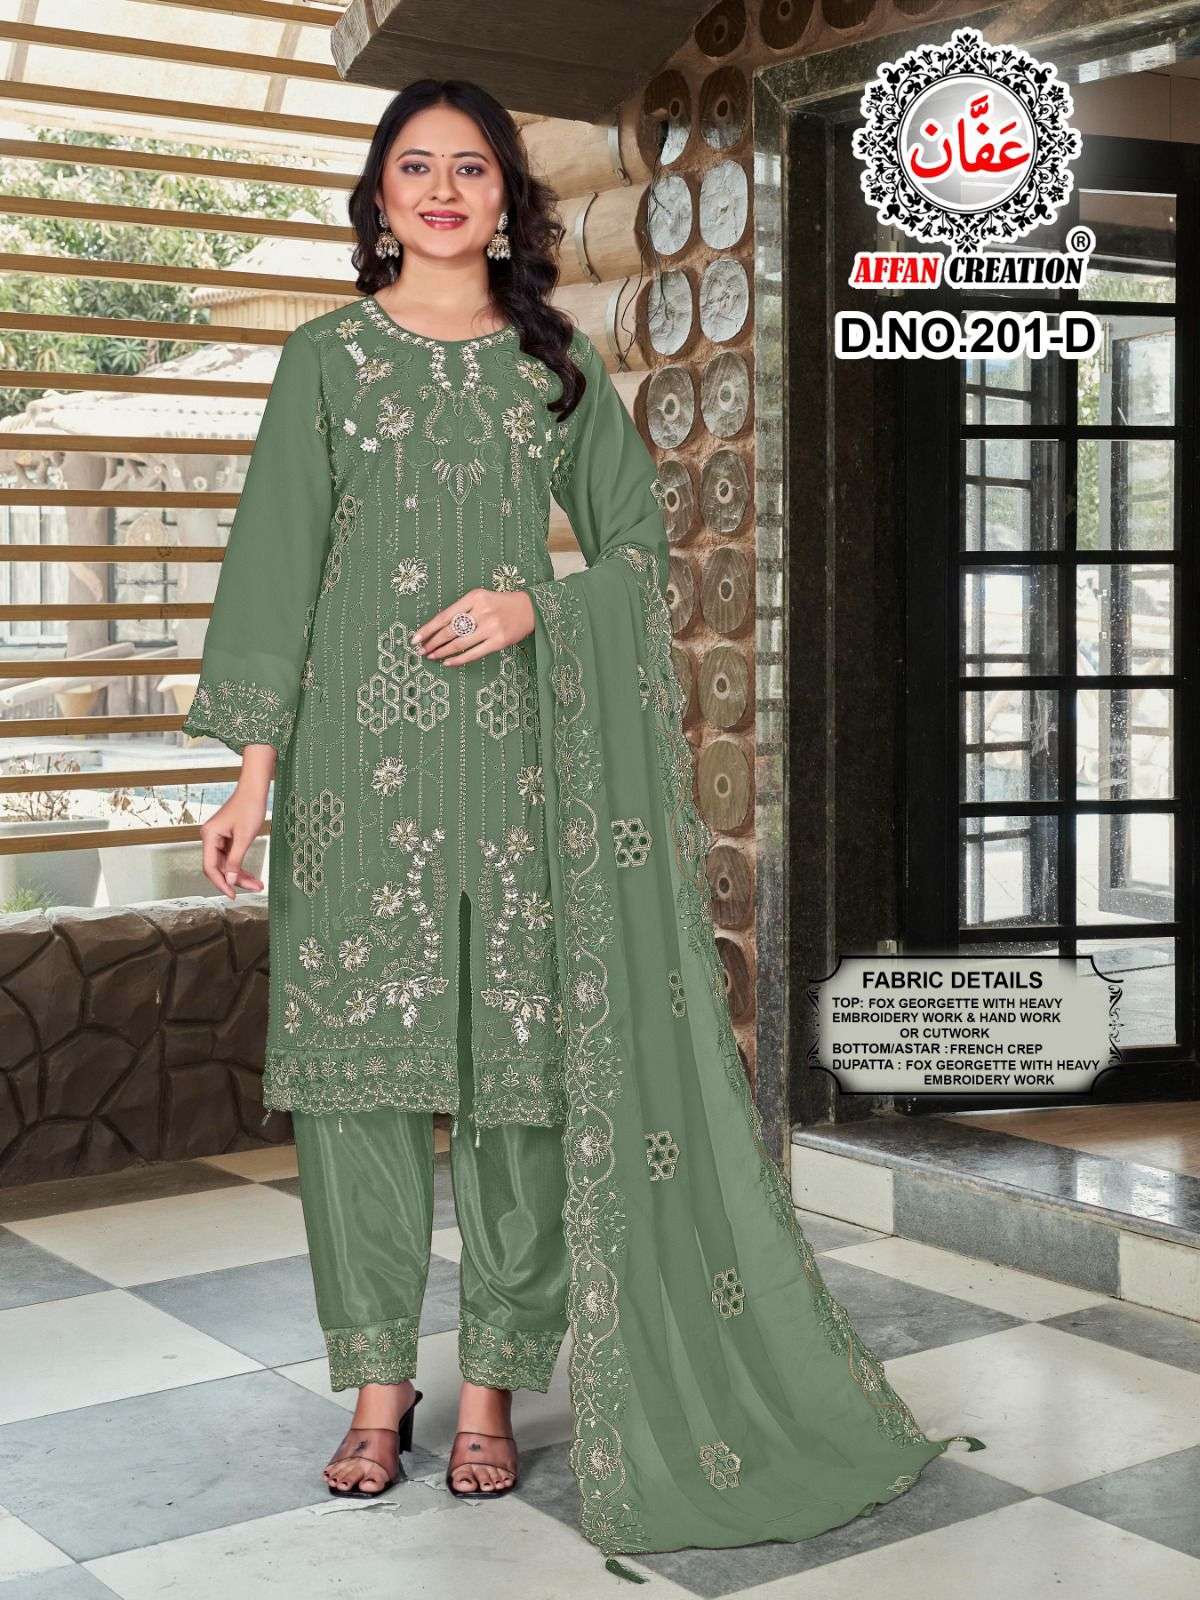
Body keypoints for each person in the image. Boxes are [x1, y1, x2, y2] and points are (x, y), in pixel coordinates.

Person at [183, 77, 984, 1581]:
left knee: (517, 1095)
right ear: (378, 197)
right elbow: (276, 563)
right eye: (415, 167)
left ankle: (491, 1386)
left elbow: (636, 553)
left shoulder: (550, 369)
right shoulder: (325, 362)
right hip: (355, 779)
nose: (442, 190)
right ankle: (377, 1389)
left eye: (470, 169)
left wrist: (530, 607)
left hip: (518, 776)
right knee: (357, 1094)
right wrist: (252, 776)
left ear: (507, 200)